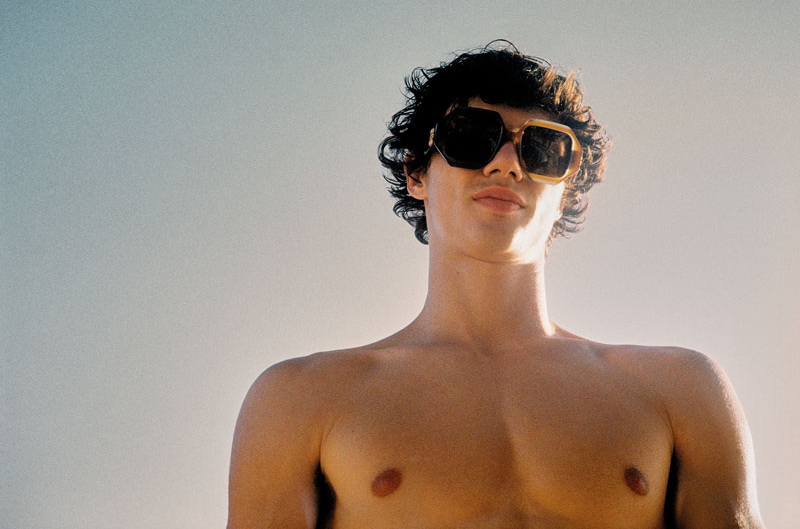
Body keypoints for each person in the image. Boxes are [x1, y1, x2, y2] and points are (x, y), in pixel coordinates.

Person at [227, 41, 765, 528]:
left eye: (543, 149)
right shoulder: (303, 399)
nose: (507, 164)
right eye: (471, 137)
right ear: (416, 173)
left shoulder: (679, 392)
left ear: (566, 190)